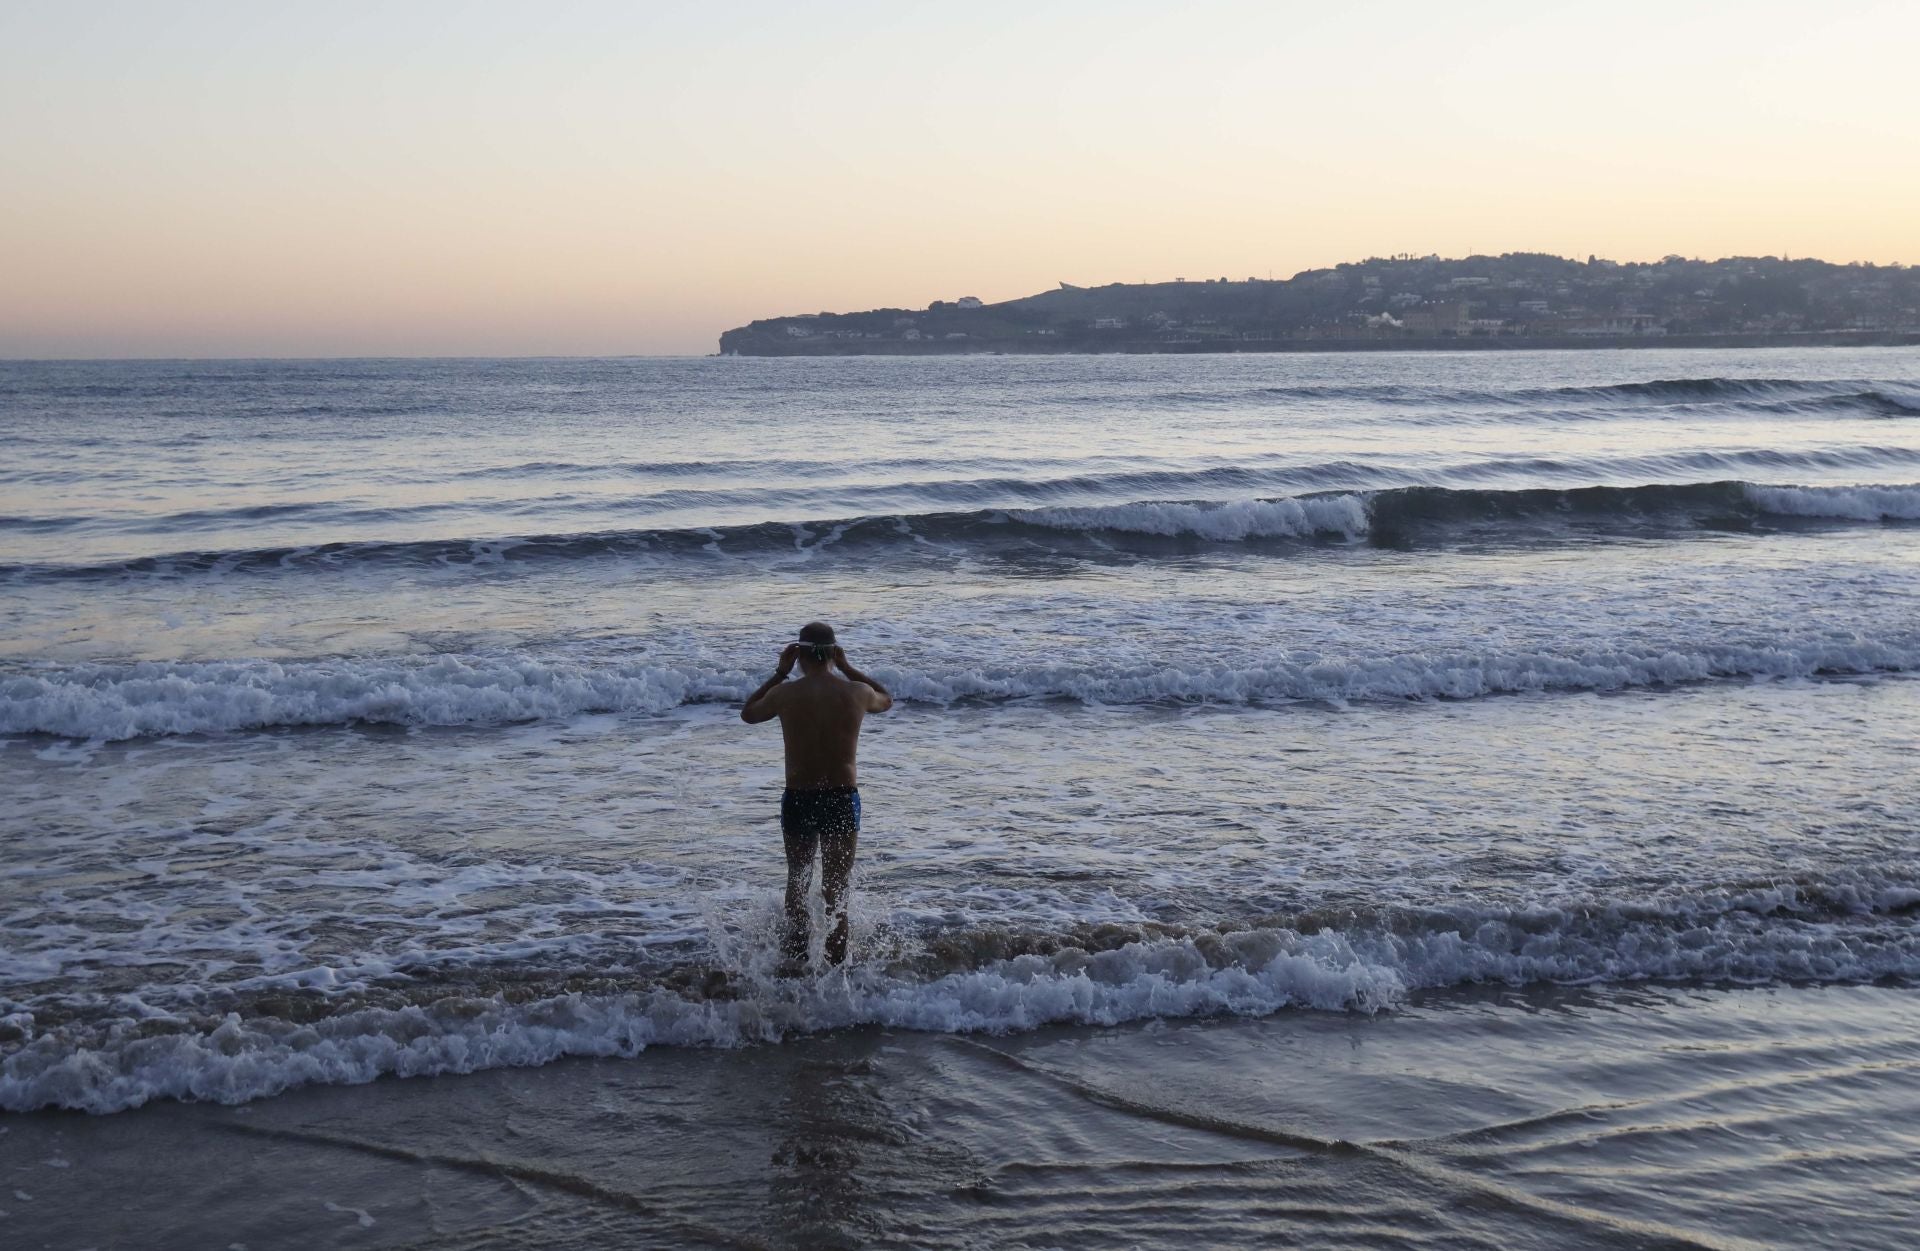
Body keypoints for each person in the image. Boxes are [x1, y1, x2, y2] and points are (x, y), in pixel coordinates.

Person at [740, 621, 893, 970]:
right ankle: (836, 968)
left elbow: (748, 713)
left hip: (799, 797)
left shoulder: (785, 693)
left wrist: (779, 673)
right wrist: (849, 667)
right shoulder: (855, 691)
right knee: (836, 889)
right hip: (841, 797)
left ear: (799, 655)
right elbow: (887, 699)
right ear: (834, 653)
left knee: (798, 879)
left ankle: (796, 959)